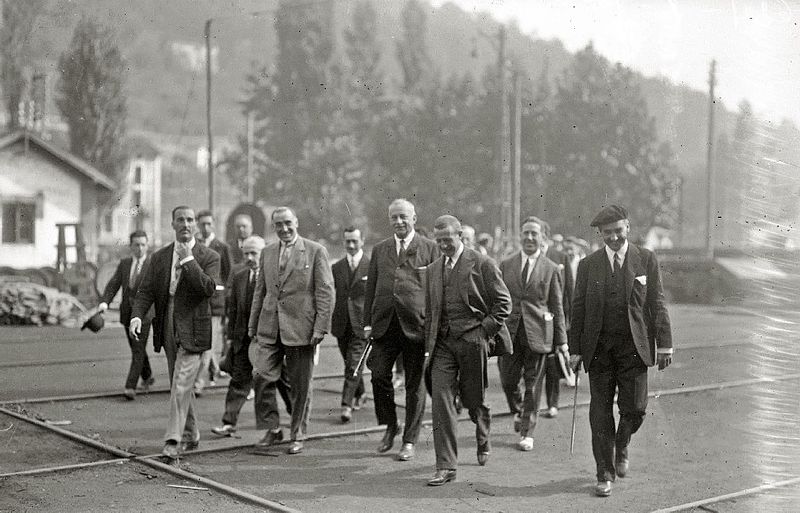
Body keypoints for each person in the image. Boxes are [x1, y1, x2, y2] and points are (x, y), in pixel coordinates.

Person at [569, 205, 673, 497]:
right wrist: (575, 349)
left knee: (636, 409)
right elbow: (578, 309)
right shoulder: (588, 265)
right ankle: (604, 473)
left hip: (634, 349)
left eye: (618, 231)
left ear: (627, 228)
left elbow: (657, 303)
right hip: (599, 350)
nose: (613, 238)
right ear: (600, 234)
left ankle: (622, 442)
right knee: (599, 413)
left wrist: (664, 343)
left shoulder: (646, 259)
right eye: (607, 233)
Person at [424, 215, 511, 486]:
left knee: (474, 399)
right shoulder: (433, 268)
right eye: (439, 241)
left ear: (460, 235)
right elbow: (432, 308)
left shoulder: (482, 263)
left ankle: (482, 434)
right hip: (443, 345)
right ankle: (446, 465)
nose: (443, 246)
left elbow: (503, 304)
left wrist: (482, 332)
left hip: (473, 343)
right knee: (441, 400)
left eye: (448, 240)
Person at [129, 206, 220, 459]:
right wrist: (137, 316)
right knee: (178, 382)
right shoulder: (159, 258)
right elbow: (145, 291)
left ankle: (173, 439)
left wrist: (189, 259)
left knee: (181, 383)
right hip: (167, 321)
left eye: (190, 220)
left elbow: (208, 288)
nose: (186, 224)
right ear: (172, 224)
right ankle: (191, 433)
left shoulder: (209, 256)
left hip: (193, 324)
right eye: (180, 219)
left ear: (196, 225)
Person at [248, 207, 333, 455]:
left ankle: (298, 434)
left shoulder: (316, 251)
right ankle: (273, 428)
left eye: (288, 223)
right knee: (261, 376)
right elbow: (259, 292)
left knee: (300, 386)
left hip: (302, 328)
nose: (284, 229)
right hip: (269, 326)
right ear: (273, 227)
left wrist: (320, 326)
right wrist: (253, 325)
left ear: (296, 222)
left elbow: (325, 291)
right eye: (278, 225)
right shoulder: (267, 252)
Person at [363, 198, 440, 462]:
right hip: (385, 325)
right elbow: (371, 288)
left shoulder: (430, 249)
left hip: (416, 326)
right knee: (378, 375)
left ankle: (409, 440)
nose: (398, 222)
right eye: (394, 217)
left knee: (414, 386)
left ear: (414, 219)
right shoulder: (380, 249)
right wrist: (367, 323)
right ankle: (390, 424)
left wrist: (433, 327)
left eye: (403, 217)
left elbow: (436, 291)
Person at [498, 216, 568, 451]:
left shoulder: (550, 268)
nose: (529, 238)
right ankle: (519, 410)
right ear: (520, 236)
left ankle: (528, 431)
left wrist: (562, 342)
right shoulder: (506, 264)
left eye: (534, 234)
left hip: (538, 334)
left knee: (533, 385)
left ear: (542, 238)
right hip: (510, 333)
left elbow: (557, 306)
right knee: (508, 381)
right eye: (525, 233)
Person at [211, 236, 293, 436]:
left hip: (269, 341)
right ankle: (228, 423)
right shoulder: (239, 276)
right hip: (242, 339)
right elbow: (233, 310)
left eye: (254, 253)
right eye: (246, 253)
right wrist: (231, 339)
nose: (249, 257)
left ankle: (297, 415)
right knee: (238, 381)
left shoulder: (275, 276)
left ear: (264, 253)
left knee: (282, 381)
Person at [98, 230, 155, 400]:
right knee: (136, 347)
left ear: (147, 245)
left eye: (143, 245)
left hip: (144, 314)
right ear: (131, 246)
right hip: (127, 313)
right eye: (136, 245)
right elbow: (114, 284)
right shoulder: (125, 264)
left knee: (137, 349)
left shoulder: (152, 265)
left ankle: (130, 386)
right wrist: (105, 302)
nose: (140, 248)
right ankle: (147, 375)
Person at [331, 226, 370, 423]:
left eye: (355, 241)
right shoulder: (336, 267)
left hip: (362, 325)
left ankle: (346, 405)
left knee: (354, 364)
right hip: (341, 324)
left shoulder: (371, 265)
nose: (351, 245)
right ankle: (360, 392)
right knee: (350, 364)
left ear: (363, 240)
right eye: (348, 241)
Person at [195, 210, 233, 394]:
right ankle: (215, 369)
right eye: (202, 224)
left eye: (209, 224)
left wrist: (225, 296)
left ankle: (198, 383)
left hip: (216, 302)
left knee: (208, 342)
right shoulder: (193, 245)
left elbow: (229, 274)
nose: (205, 227)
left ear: (213, 224)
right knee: (203, 340)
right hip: (197, 300)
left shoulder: (222, 247)